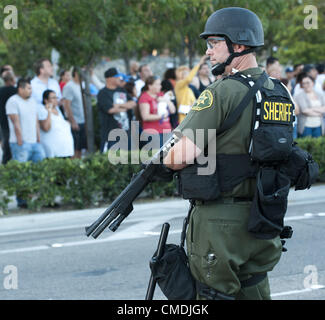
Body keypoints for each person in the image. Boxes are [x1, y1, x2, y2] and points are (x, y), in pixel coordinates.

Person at [163, 7, 295, 300]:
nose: (208, 52)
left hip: (221, 223)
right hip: (264, 217)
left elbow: (180, 155)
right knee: (256, 291)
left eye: (213, 43)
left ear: (238, 45)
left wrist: (164, 161)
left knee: (211, 296)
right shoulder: (280, 92)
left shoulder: (221, 91)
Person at [6, 78, 45, 208]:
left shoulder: (32, 101)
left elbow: (35, 120)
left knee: (39, 169)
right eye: (28, 88)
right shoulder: (13, 101)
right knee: (21, 172)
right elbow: (15, 122)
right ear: (20, 89)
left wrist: (38, 137)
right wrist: (20, 141)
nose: (30, 91)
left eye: (31, 88)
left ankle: (38, 196)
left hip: (35, 142)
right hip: (21, 144)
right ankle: (22, 201)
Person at [97, 67, 136, 152]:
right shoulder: (103, 93)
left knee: (127, 159)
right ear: (110, 78)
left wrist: (119, 105)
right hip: (111, 134)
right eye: (117, 76)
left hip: (126, 132)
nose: (120, 79)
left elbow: (133, 103)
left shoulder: (121, 90)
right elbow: (110, 110)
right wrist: (125, 106)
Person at [138, 76, 176, 148]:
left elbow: (173, 110)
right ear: (150, 86)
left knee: (169, 156)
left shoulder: (161, 94)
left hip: (166, 131)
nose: (160, 86)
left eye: (160, 84)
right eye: (157, 84)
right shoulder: (145, 97)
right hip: (153, 132)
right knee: (158, 157)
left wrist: (166, 100)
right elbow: (145, 116)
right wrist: (162, 116)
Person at [39, 90, 74, 158]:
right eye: (53, 98)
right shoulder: (42, 111)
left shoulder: (58, 110)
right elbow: (46, 128)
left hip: (65, 150)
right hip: (53, 151)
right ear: (46, 100)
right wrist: (49, 111)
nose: (56, 100)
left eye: (56, 98)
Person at [175, 55, 208, 123]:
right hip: (182, 120)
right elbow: (188, 79)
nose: (189, 75)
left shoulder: (189, 89)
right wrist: (199, 63)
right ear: (181, 75)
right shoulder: (178, 85)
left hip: (189, 119)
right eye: (186, 73)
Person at [62, 67, 87, 158]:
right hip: (75, 122)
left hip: (83, 121)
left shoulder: (83, 84)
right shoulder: (69, 86)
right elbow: (66, 105)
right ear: (76, 73)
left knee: (80, 149)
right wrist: (73, 121)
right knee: (75, 150)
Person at [0, 71, 17, 164]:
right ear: (11, 80)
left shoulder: (1, 91)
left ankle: (5, 163)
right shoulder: (15, 91)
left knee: (6, 142)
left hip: (3, 121)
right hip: (15, 120)